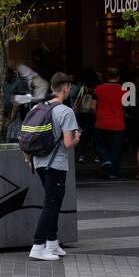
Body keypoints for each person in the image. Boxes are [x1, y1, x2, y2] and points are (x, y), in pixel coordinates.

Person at [28, 73, 81, 261]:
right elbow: (68, 142)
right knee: (51, 203)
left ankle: (52, 242)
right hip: (56, 163)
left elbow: (26, 134)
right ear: (65, 87)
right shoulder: (66, 111)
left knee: (54, 201)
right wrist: (77, 137)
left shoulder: (37, 107)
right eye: (69, 87)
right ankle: (38, 245)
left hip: (39, 161)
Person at [92, 67, 127, 179]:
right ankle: (113, 173)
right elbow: (127, 107)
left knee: (99, 144)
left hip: (101, 123)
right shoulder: (125, 90)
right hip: (118, 124)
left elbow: (92, 107)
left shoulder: (98, 89)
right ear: (118, 77)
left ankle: (106, 160)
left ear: (106, 76)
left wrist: (97, 115)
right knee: (116, 148)